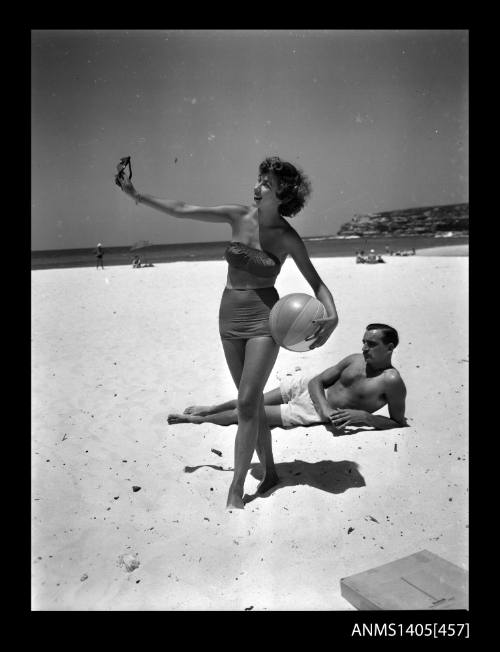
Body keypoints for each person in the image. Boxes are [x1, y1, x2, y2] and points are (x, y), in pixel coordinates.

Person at [115, 155, 339, 509]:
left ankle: (236, 488)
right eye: (259, 178)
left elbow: (318, 284)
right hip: (229, 316)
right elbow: (183, 209)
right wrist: (137, 195)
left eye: (266, 182)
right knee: (248, 403)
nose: (257, 186)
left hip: (266, 320)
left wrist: (333, 315)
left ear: (283, 192)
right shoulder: (238, 215)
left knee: (248, 401)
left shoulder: (287, 237)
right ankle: (270, 471)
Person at [168, 322, 407, 441]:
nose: (364, 348)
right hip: (308, 392)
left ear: (389, 348)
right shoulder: (354, 360)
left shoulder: (391, 381)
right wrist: (325, 408)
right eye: (364, 342)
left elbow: (397, 422)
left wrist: (364, 417)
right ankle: (210, 408)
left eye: (372, 344)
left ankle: (195, 420)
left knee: (248, 413)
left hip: (307, 412)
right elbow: (316, 381)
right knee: (251, 399)